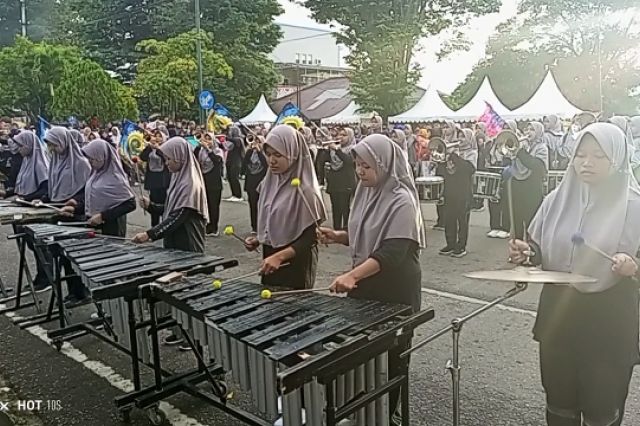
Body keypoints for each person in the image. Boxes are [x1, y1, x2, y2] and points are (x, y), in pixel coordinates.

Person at [508, 123, 640, 426]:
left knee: (601, 407)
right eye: (580, 155)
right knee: (559, 403)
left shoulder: (635, 206)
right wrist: (526, 253)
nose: (587, 163)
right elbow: (541, 249)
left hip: (608, 321)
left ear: (617, 159)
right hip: (560, 317)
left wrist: (633, 266)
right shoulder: (557, 198)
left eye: (598, 156)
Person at [318, 133, 424, 426]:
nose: (360, 171)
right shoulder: (365, 192)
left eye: (367, 165)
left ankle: (389, 415)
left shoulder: (402, 199)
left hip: (395, 291)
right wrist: (339, 236)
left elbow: (392, 251)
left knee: (391, 363)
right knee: (360, 356)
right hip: (365, 286)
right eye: (357, 165)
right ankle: (364, 413)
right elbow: (368, 233)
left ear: (384, 164)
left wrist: (352, 275)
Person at [134, 136, 209, 347]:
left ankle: (193, 337)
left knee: (188, 292)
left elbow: (179, 217)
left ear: (180, 156)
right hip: (174, 243)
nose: (167, 164)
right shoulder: (177, 179)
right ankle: (179, 331)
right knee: (175, 291)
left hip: (188, 245)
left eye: (169, 159)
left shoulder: (190, 183)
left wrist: (150, 234)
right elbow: (170, 212)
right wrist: (152, 206)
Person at [243, 125, 326, 290]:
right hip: (270, 259)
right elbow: (272, 219)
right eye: (268, 154)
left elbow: (311, 238)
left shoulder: (306, 191)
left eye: (278, 155)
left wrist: (280, 256)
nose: (271, 161)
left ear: (293, 154)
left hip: (296, 265)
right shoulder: (268, 183)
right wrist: (260, 238)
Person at [0, 131, 50, 291]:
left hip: (35, 211)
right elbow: (20, 187)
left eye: (21, 145)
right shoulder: (26, 161)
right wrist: (7, 193)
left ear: (29, 145)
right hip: (24, 208)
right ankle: (41, 276)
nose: (18, 149)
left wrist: (26, 199)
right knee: (30, 245)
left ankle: (46, 277)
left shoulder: (40, 163)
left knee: (39, 246)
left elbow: (45, 190)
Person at [503, 121, 548, 239]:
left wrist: (520, 152)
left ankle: (532, 250)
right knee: (516, 219)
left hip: (532, 188)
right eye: (527, 129)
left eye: (532, 129)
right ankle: (517, 249)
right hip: (517, 185)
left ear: (538, 132)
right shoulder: (523, 146)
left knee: (531, 221)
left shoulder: (541, 148)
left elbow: (535, 165)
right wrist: (513, 151)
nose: (528, 132)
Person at [438, 128, 476, 258]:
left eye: (463, 137)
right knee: (449, 219)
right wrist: (442, 159)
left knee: (462, 220)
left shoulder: (472, 153)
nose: (460, 139)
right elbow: (444, 171)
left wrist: (454, 156)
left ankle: (461, 246)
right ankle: (450, 244)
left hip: (464, 192)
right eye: (459, 137)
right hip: (450, 191)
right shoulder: (452, 153)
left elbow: (469, 169)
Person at [324, 127, 357, 230]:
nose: (340, 137)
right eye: (339, 135)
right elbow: (323, 161)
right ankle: (336, 229)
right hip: (334, 183)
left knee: (345, 207)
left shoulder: (353, 149)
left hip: (346, 183)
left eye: (344, 135)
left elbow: (349, 161)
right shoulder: (334, 149)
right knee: (335, 207)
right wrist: (326, 150)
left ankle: (346, 229)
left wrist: (337, 150)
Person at [139, 125, 171, 227]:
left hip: (163, 180)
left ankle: (165, 224)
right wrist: (149, 147)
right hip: (153, 180)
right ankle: (154, 226)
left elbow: (167, 159)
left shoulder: (166, 148)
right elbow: (142, 157)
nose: (157, 138)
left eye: (160, 136)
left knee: (163, 204)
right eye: (156, 136)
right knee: (153, 203)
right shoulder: (150, 148)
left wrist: (158, 149)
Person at [194, 133, 224, 236]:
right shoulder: (199, 151)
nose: (207, 141)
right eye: (205, 139)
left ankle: (214, 228)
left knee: (214, 206)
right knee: (204, 205)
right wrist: (200, 146)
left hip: (215, 183)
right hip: (203, 182)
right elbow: (194, 159)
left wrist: (208, 149)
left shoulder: (218, 151)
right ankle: (206, 226)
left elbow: (217, 161)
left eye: (209, 139)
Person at [241, 135, 268, 234]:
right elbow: (244, 165)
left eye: (258, 141)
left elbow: (266, 165)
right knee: (253, 205)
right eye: (254, 141)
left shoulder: (266, 153)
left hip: (262, 183)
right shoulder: (250, 152)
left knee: (262, 206)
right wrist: (250, 150)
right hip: (251, 183)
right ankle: (254, 226)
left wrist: (260, 152)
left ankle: (263, 225)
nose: (256, 143)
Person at [223, 126, 245, 202]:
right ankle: (234, 194)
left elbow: (236, 142)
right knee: (230, 178)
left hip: (236, 162)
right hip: (230, 161)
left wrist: (226, 137)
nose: (229, 132)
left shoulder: (239, 139)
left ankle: (238, 195)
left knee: (234, 178)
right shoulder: (231, 140)